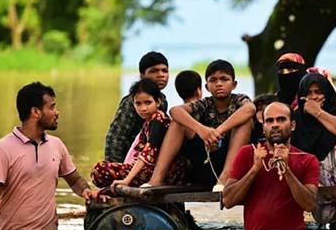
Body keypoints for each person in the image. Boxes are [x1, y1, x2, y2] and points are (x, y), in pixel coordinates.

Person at [0, 82, 96, 230]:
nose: (57, 113)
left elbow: (75, 180)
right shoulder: (1, 149)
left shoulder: (57, 145)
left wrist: (86, 191)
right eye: (52, 107)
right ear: (35, 112)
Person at [222, 102, 319, 230]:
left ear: (292, 126)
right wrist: (255, 169)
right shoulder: (248, 153)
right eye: (269, 120)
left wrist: (286, 170)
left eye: (281, 120)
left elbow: (309, 204)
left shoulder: (307, 160)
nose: (274, 125)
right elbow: (228, 200)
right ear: (263, 127)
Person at [148, 59, 255, 188]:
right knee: (179, 123)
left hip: (231, 160)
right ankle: (156, 179)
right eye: (213, 80)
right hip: (206, 159)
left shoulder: (239, 100)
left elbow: (250, 109)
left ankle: (224, 179)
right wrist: (202, 130)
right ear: (206, 87)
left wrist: (217, 132)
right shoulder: (205, 104)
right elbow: (175, 110)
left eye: (224, 79)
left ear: (234, 84)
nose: (219, 84)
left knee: (245, 122)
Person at [89, 78, 187, 192]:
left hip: (165, 173)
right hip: (149, 170)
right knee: (100, 170)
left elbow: (148, 153)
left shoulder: (159, 118)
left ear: (158, 102)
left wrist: (127, 180)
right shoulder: (148, 122)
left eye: (148, 102)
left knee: (100, 170)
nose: (143, 108)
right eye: (138, 104)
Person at [104, 51, 171, 162]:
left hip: (150, 158)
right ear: (142, 76)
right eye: (154, 71)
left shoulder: (162, 100)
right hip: (130, 159)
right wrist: (116, 167)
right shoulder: (131, 101)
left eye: (165, 70)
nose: (161, 75)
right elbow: (115, 138)